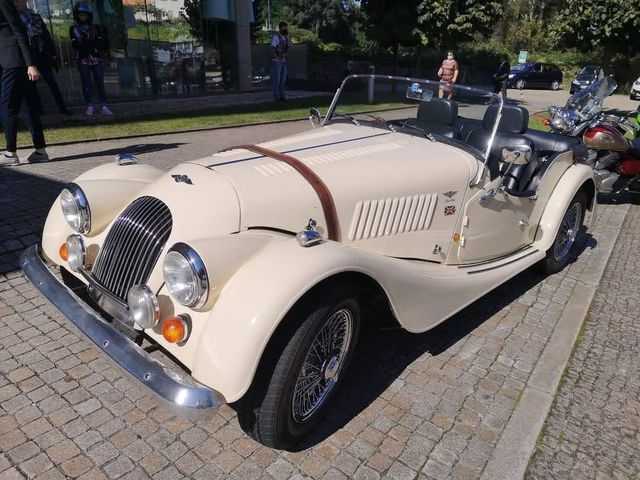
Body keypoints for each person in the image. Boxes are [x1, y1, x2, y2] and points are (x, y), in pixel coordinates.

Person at [0, 0, 49, 166]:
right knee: (27, 107)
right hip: (11, 59)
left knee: (7, 106)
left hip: (13, 60)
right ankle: (40, 150)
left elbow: (18, 29)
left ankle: (10, 153)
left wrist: (30, 64)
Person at [14, 0, 71, 115]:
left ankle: (62, 108)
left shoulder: (35, 18)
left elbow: (46, 36)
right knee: (32, 86)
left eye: (18, 1)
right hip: (28, 57)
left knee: (51, 82)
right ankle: (38, 110)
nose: (16, 4)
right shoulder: (15, 19)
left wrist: (53, 54)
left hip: (42, 56)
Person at [70, 2, 113, 116]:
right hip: (82, 60)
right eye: (80, 15)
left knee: (99, 82)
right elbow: (76, 46)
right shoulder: (73, 29)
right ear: (76, 16)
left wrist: (87, 44)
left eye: (84, 15)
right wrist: (90, 44)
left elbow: (100, 43)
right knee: (86, 83)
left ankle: (103, 105)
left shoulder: (97, 28)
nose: (82, 17)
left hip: (96, 60)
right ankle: (90, 105)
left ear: (88, 15)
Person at [271, 21, 292, 102]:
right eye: (284, 28)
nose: (285, 29)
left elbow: (290, 46)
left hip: (283, 60)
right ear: (280, 28)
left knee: (283, 80)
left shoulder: (286, 37)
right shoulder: (276, 37)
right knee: (277, 79)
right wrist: (276, 56)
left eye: (286, 28)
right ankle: (276, 97)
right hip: (277, 61)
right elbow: (272, 47)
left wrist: (288, 37)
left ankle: (282, 96)